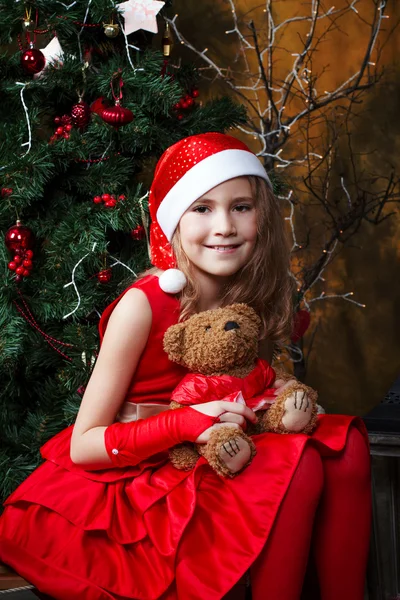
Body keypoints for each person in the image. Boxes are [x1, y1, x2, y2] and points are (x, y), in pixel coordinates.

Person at [0, 133, 371, 600]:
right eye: (202, 208)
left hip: (222, 445)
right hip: (144, 466)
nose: (224, 227)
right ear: (175, 219)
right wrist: (187, 422)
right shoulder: (144, 304)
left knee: (347, 443)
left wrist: (276, 395)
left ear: (263, 217)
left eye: (241, 207)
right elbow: (84, 446)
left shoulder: (249, 289)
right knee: (301, 466)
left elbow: (246, 381)